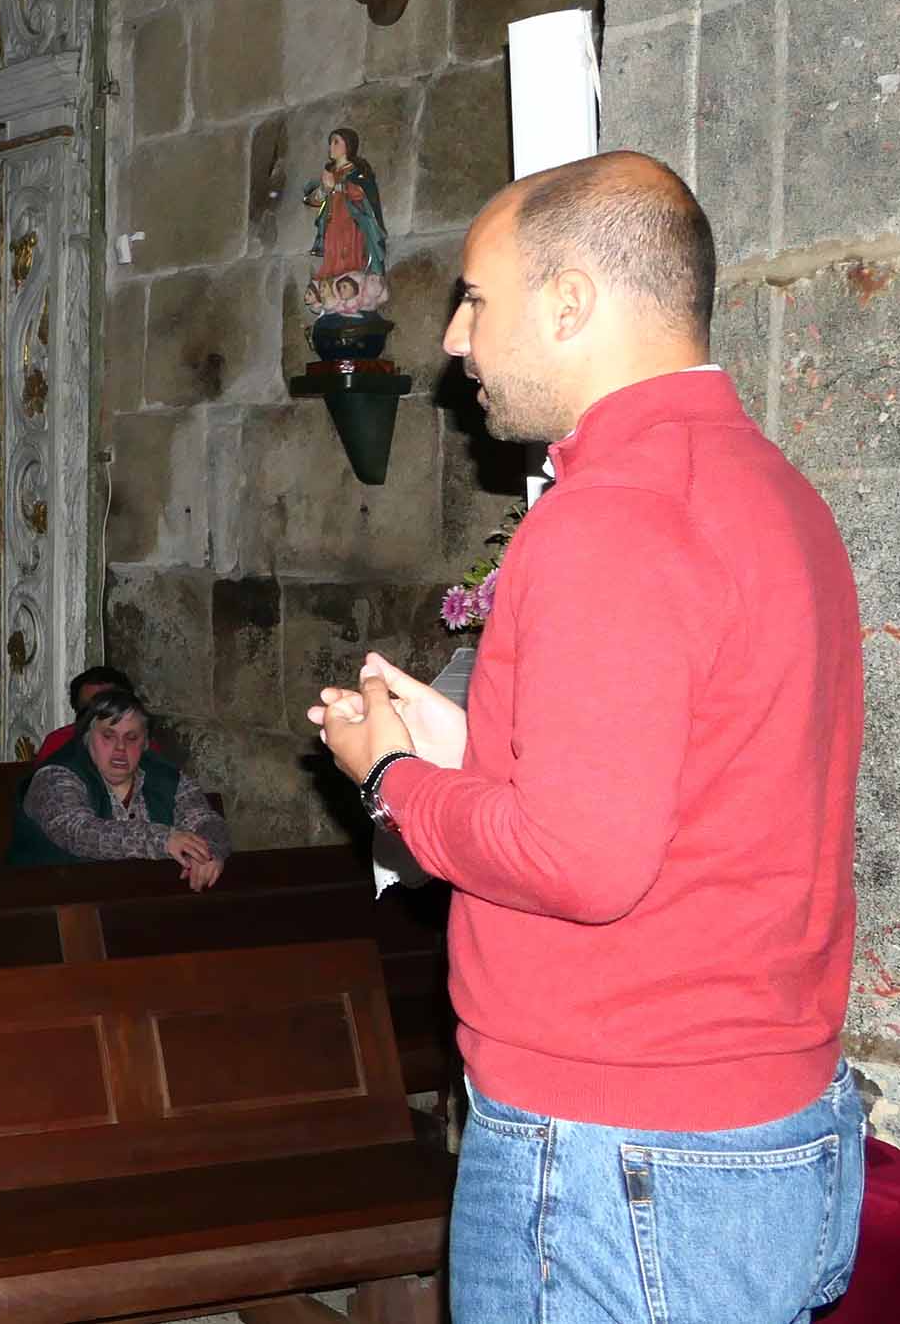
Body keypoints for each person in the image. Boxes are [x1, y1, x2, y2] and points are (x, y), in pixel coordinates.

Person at [309, 151, 866, 1320]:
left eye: (475, 298)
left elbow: (583, 862)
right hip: (759, 1123)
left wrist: (395, 778)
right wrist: (479, 744)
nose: (456, 340)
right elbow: (699, 784)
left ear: (569, 303)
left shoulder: (604, 519)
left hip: (620, 1151)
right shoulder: (770, 491)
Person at [13, 689, 228, 889]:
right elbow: (79, 832)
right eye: (108, 736)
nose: (120, 748)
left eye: (131, 737)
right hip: (50, 903)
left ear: (145, 743)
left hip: (140, 905)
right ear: (88, 737)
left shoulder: (166, 776)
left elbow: (206, 820)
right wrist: (163, 839)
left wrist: (207, 854)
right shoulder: (55, 777)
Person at [31, 664, 139, 759]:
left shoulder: (140, 741)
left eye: (106, 710)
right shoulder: (59, 742)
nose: (95, 718)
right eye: (87, 710)